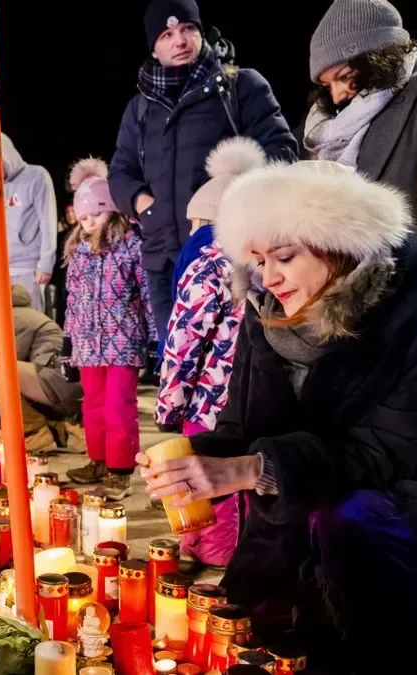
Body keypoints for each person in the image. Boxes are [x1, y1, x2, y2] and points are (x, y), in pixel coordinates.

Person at [139, 159, 417, 672]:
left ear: (340, 245)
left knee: (361, 580)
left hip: (399, 504)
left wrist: (253, 469)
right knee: (248, 636)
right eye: (258, 260)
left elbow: (380, 454)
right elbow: (240, 428)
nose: (268, 277)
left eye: (284, 257)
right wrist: (194, 460)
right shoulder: (269, 319)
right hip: (294, 513)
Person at [109, 0, 297, 350]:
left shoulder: (240, 86)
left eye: (187, 29)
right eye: (167, 34)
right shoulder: (139, 108)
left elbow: (282, 149)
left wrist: (234, 196)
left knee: (234, 366)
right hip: (163, 262)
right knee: (178, 363)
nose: (179, 41)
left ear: (201, 32)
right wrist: (143, 205)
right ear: (154, 46)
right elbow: (120, 172)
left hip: (229, 259)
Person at [305, 0, 417, 311]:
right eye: (326, 84)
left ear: (376, 58)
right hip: (361, 309)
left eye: (344, 75)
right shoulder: (334, 124)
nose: (335, 95)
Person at [157, 137, 265, 566]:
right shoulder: (261, 261)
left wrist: (171, 400)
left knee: (202, 470)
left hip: (206, 398)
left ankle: (210, 551)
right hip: (245, 393)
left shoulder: (205, 264)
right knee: (226, 473)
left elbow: (183, 341)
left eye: (195, 223)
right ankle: (216, 547)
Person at [59, 159, 153, 499]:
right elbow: (72, 301)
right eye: (82, 219)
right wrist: (68, 344)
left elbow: (146, 293)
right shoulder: (79, 251)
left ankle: (120, 468)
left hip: (122, 343)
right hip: (87, 345)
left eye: (94, 216)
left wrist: (155, 341)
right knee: (93, 405)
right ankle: (98, 459)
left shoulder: (130, 245)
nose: (88, 224)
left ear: (110, 210)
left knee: (118, 406)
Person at [0, 274, 82, 450]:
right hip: (52, 382)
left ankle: (35, 431)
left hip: (62, 382)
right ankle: (56, 428)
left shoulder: (12, 319)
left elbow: (5, 378)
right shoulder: (2, 319)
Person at [0, 134, 58, 378]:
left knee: (31, 329)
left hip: (28, 269)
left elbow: (48, 221)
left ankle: (37, 381)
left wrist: (45, 263)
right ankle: (4, 384)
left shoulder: (37, 176)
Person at [48, 204, 77, 325]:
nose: (70, 215)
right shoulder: (60, 236)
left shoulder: (86, 234)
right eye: (67, 212)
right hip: (63, 279)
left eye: (72, 211)